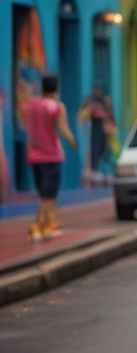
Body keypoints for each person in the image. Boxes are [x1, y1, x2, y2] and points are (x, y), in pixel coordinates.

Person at [20, 74, 77, 242]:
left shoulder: (29, 105)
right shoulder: (56, 106)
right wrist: (73, 142)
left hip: (34, 155)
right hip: (52, 155)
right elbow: (63, 128)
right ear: (56, 89)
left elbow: (24, 122)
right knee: (48, 193)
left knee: (45, 192)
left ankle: (50, 224)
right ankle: (37, 224)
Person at [78, 84, 113, 183]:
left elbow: (109, 115)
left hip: (102, 129)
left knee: (104, 150)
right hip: (94, 127)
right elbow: (81, 116)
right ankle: (94, 170)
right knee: (94, 149)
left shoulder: (104, 101)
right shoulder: (89, 102)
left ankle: (103, 170)